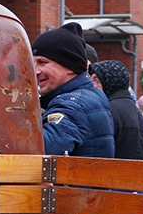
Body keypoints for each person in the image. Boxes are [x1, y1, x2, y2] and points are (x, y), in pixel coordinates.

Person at [32, 23, 114, 157]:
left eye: (43, 62)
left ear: (70, 66)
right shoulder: (88, 95)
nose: (35, 71)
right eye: (33, 62)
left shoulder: (72, 106)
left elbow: (37, 149)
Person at [89, 60, 143, 159]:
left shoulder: (108, 111)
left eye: (97, 81)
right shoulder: (134, 110)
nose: (93, 86)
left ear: (110, 81)